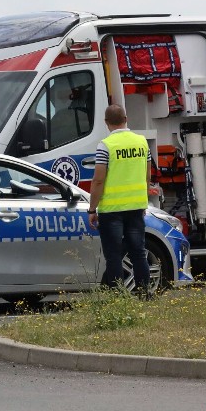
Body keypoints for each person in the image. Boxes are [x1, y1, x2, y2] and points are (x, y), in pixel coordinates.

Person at [87, 104, 151, 294]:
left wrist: (92, 209)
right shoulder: (142, 142)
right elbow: (147, 176)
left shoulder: (105, 146)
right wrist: (143, 201)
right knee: (138, 253)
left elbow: (98, 180)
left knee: (114, 256)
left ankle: (117, 297)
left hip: (112, 210)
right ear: (126, 118)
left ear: (107, 123)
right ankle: (144, 293)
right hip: (137, 207)